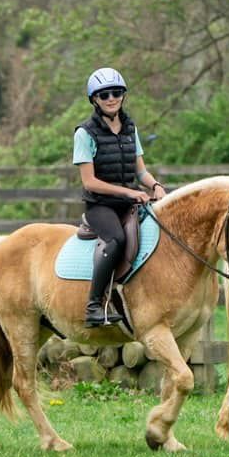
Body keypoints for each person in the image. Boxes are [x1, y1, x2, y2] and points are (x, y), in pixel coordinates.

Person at [74, 67, 167, 327]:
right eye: (104, 95)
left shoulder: (130, 128)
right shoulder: (84, 133)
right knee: (116, 239)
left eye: (116, 93)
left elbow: (140, 171)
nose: (111, 98)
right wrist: (130, 192)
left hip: (129, 202)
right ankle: (94, 306)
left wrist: (155, 185)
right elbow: (89, 181)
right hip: (100, 206)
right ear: (94, 100)